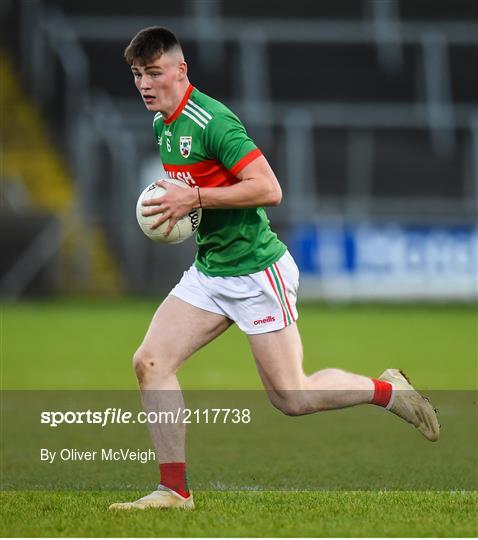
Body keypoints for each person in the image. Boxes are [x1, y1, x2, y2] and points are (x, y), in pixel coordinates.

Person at [109, 26, 439, 511]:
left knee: (293, 398)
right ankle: (173, 491)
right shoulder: (162, 125)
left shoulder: (213, 121)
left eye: (154, 72)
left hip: (257, 272)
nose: (144, 84)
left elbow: (269, 188)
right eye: (138, 74)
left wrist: (193, 197)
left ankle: (389, 391)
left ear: (181, 70)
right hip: (211, 270)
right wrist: (185, 206)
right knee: (150, 362)